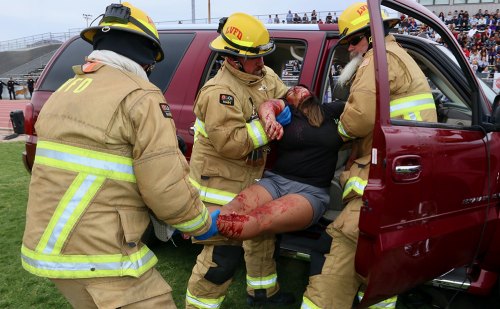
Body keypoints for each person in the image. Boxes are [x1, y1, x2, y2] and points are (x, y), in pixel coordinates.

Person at [20, 3, 218, 308]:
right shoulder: (141, 97)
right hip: (101, 253)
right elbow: (165, 190)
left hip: (51, 246)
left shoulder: (66, 90)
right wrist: (202, 224)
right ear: (146, 54)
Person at [301, 3, 437, 309]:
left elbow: (357, 119)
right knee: (380, 265)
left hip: (377, 178)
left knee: (336, 259)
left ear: (370, 37)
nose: (350, 50)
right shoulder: (400, 56)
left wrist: (331, 132)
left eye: (352, 41)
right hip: (403, 177)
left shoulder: (377, 60)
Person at [185, 12, 294, 308]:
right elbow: (232, 144)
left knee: (262, 237)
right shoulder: (219, 93)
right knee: (221, 257)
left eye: (262, 56)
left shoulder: (263, 76)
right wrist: (271, 124)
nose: (261, 63)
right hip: (219, 187)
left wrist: (284, 104)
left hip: (251, 181)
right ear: (232, 58)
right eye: (254, 58)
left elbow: (284, 97)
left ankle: (263, 296)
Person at [215, 85, 345, 240]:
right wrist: (271, 121)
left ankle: (204, 227)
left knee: (260, 218)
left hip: (311, 192)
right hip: (275, 182)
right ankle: (195, 222)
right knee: (233, 208)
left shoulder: (330, 111)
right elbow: (268, 106)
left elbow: (363, 111)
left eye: (300, 88)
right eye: (291, 91)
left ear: (311, 93)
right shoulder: (287, 111)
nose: (296, 90)